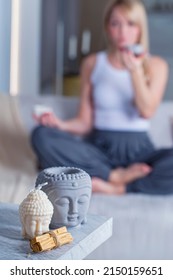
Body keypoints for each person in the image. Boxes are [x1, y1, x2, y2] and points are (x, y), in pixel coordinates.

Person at [31, 0, 173, 195]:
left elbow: (146, 111)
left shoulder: (157, 65)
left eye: (130, 24)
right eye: (116, 24)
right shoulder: (92, 63)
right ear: (107, 27)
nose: (123, 31)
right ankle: (113, 176)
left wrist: (135, 71)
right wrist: (59, 124)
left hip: (140, 151)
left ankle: (120, 188)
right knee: (41, 135)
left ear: (140, 28)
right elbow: (85, 122)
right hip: (98, 149)